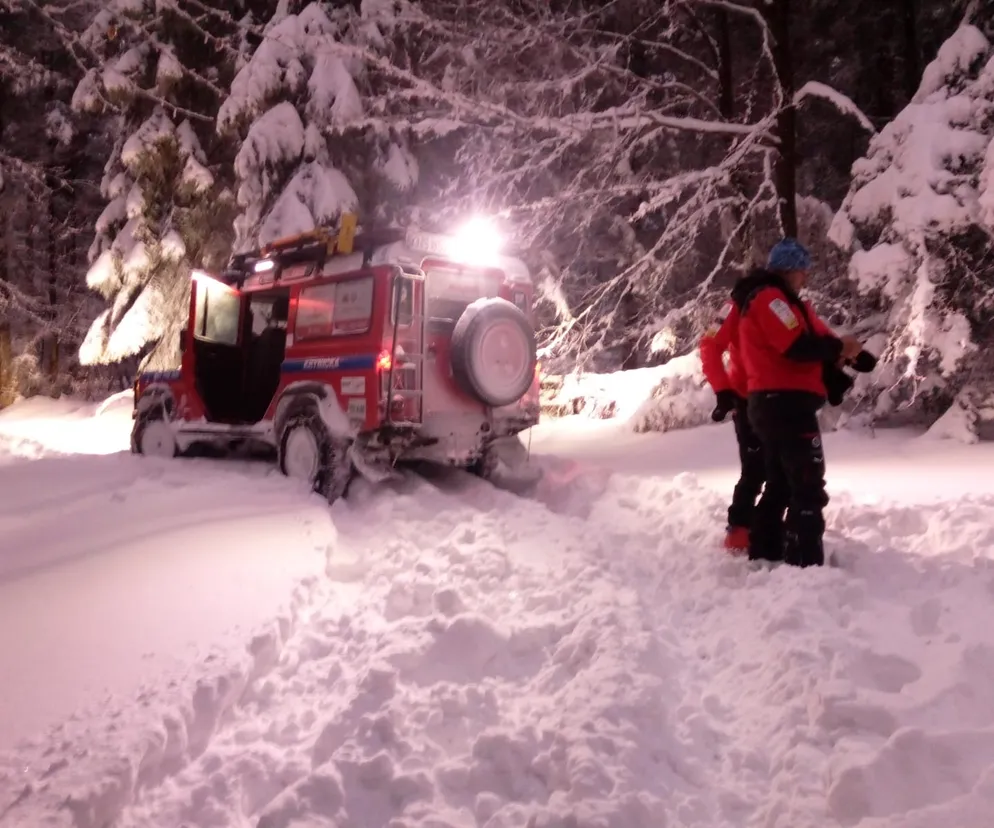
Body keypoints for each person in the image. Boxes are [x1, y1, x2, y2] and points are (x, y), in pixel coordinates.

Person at [736, 238, 863, 567]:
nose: (805, 277)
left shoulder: (788, 303)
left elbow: (817, 339)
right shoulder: (770, 300)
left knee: (780, 481)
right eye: (803, 271)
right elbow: (797, 347)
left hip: (779, 404)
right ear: (791, 270)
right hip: (784, 405)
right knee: (807, 480)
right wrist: (837, 350)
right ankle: (805, 560)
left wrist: (847, 352)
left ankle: (765, 551)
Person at [699, 270, 772, 554]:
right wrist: (722, 390)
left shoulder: (780, 304)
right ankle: (739, 529)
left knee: (779, 465)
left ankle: (769, 522)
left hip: (776, 396)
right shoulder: (734, 307)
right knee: (755, 466)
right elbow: (709, 344)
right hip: (746, 397)